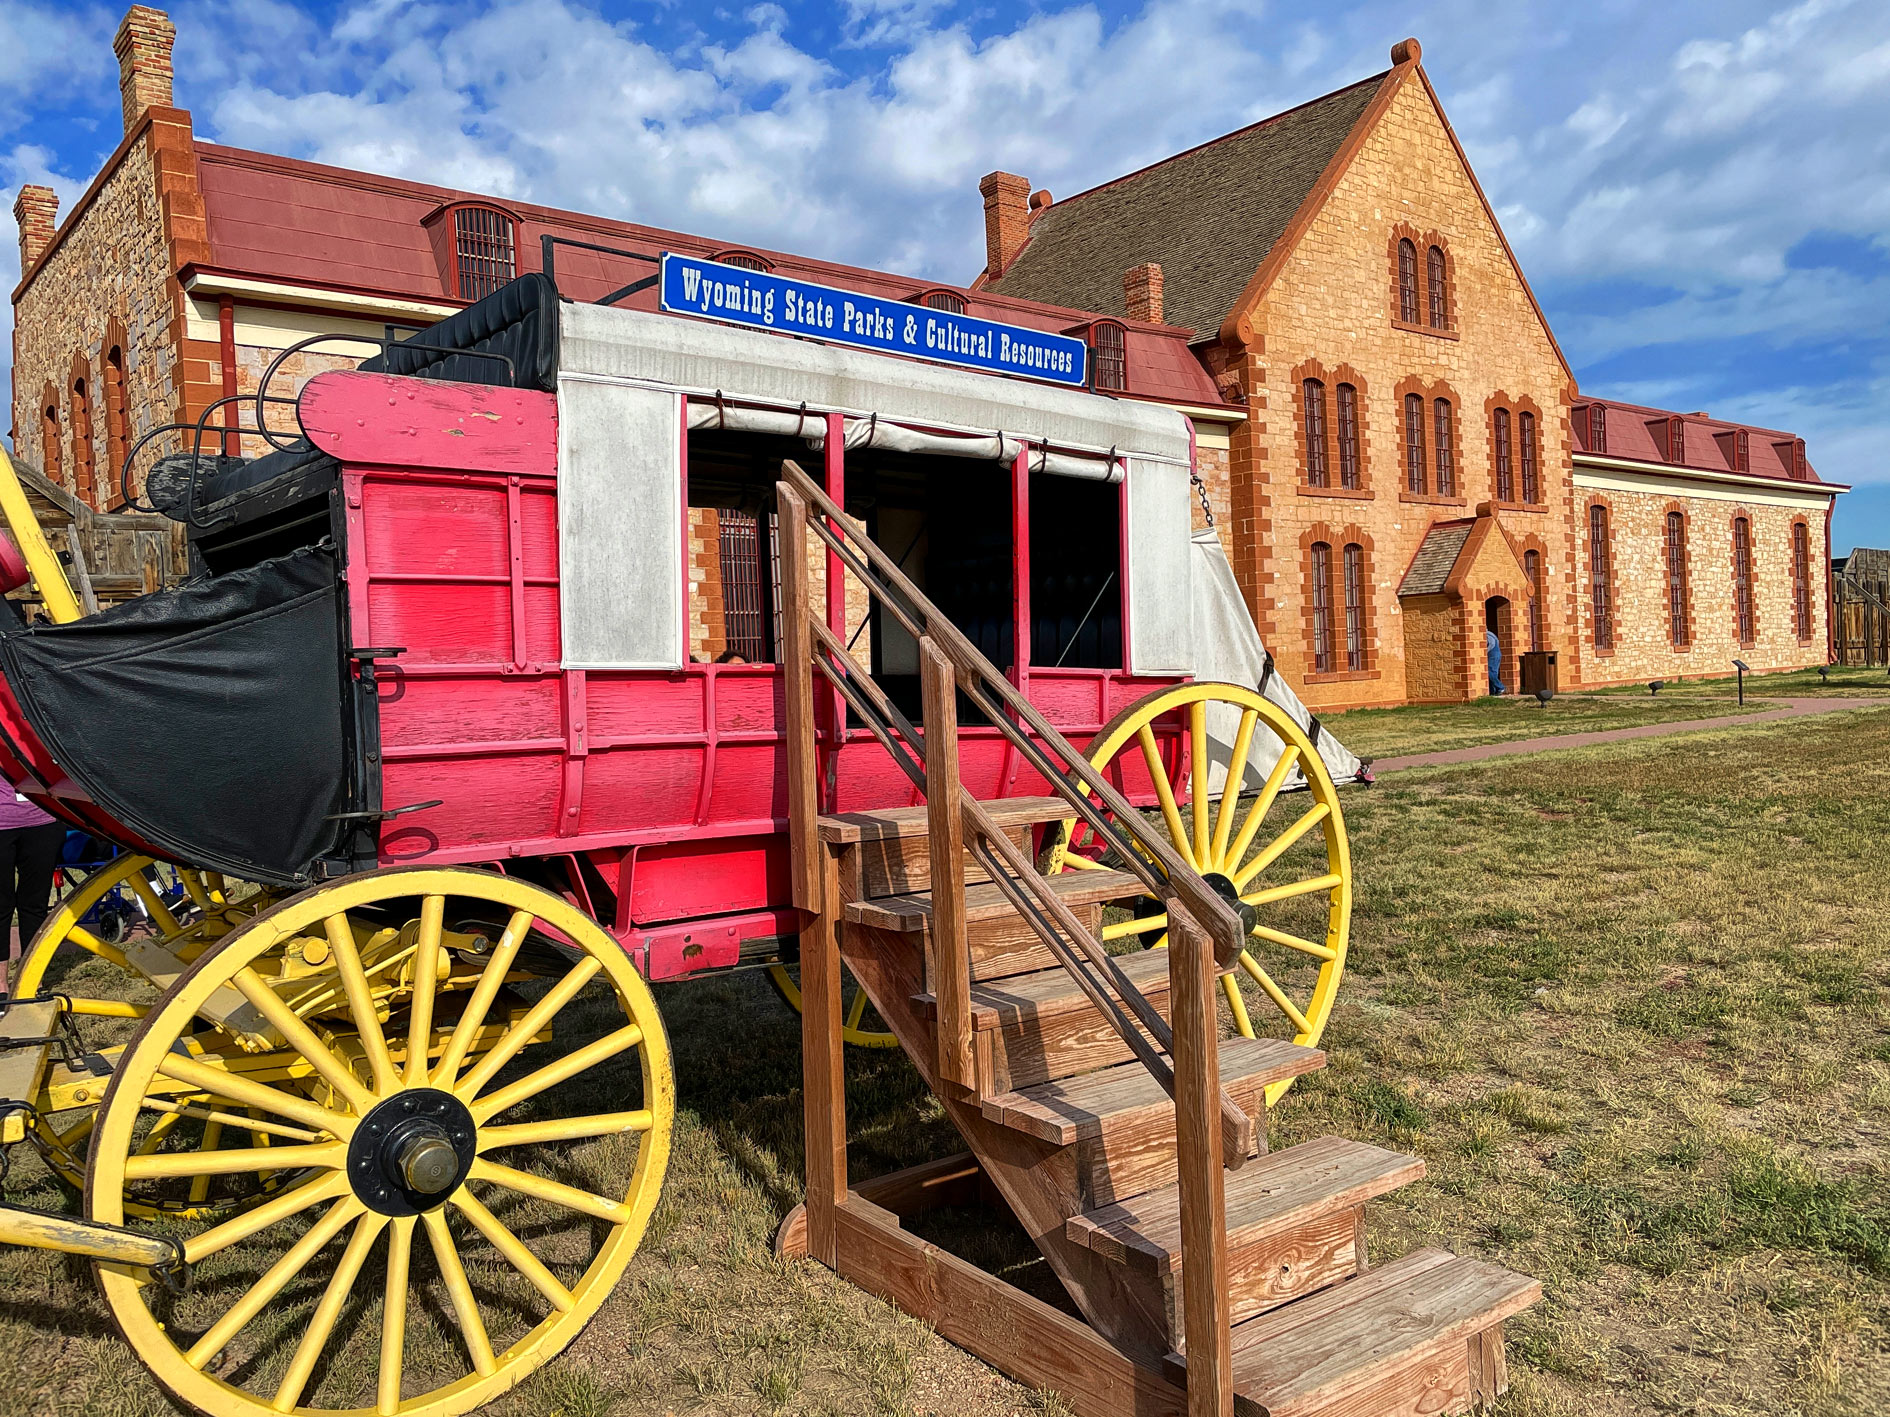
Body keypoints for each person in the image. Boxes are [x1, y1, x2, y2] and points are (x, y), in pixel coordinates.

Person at [0, 779, 62, 993]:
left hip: (43, 822)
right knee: (1, 906)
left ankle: (32, 979)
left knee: (35, 904)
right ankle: (0, 984)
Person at [1486, 628, 1505, 695]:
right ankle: (1493, 691)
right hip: (1496, 654)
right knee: (1494, 673)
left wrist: (1484, 652)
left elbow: (1491, 644)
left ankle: (1500, 687)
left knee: (1490, 672)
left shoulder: (1486, 635)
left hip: (1493, 655)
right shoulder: (1491, 634)